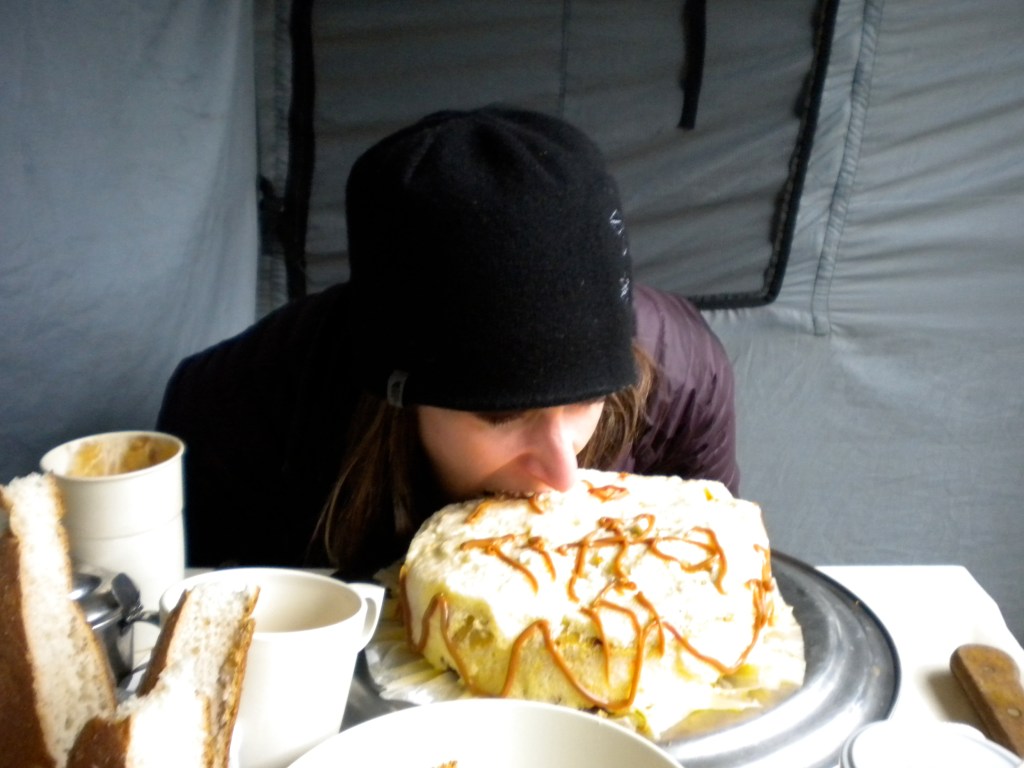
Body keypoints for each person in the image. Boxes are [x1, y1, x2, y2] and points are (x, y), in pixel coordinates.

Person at [156, 106, 739, 579]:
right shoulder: (246, 406)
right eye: (503, 415)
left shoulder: (684, 381)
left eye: (587, 401)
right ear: (398, 397)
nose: (563, 474)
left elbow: (711, 578)